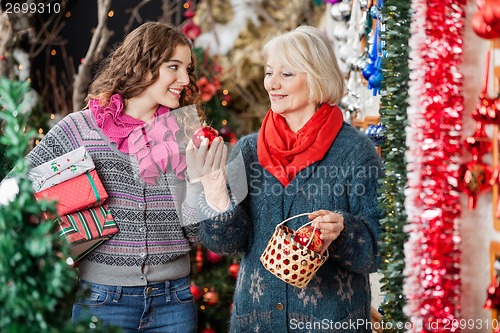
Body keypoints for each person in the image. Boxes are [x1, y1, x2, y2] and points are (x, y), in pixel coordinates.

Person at [186, 25, 384, 332]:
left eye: (286, 74)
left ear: (317, 77)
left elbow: (380, 248)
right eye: (269, 72)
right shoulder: (249, 150)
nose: (272, 84)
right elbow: (223, 243)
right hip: (257, 324)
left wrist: (343, 230)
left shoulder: (356, 152)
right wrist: (214, 191)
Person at [24, 22, 204, 332]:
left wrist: (203, 186)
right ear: (142, 64)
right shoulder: (81, 128)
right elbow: (17, 188)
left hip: (173, 302)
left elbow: (198, 234)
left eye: (187, 68)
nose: (185, 79)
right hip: (101, 300)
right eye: (174, 66)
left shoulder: (185, 134)